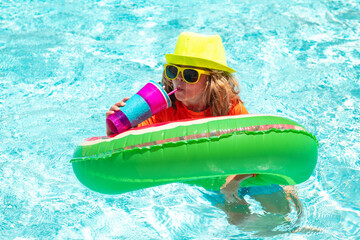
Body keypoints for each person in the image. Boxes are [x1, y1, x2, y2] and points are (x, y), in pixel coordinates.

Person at [105, 32, 303, 230]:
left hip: (242, 172)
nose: (178, 80)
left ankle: (294, 222)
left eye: (190, 75)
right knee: (238, 221)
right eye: (173, 71)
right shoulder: (165, 108)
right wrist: (116, 123)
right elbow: (126, 147)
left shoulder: (230, 108)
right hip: (211, 176)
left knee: (281, 210)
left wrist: (235, 180)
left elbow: (254, 149)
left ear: (212, 80)